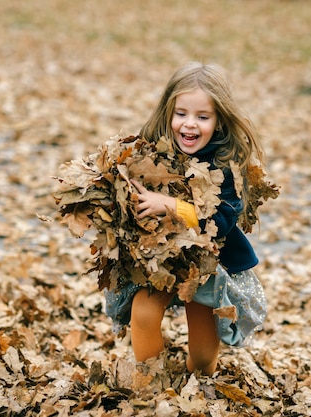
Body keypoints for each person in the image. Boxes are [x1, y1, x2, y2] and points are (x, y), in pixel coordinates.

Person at [105, 62, 268, 376]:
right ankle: (151, 381)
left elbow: (219, 224)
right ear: (168, 111)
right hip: (161, 255)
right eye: (181, 113)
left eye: (202, 117)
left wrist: (168, 204)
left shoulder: (227, 164)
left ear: (219, 120)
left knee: (204, 354)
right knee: (144, 313)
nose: (189, 125)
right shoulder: (152, 146)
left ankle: (199, 378)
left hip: (208, 261)